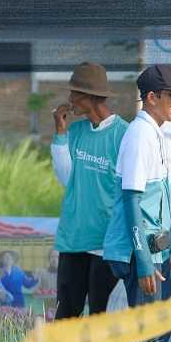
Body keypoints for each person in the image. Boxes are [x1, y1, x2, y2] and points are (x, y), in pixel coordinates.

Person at [103, 64, 171, 342]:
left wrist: (165, 249)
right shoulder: (140, 134)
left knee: (160, 326)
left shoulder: (152, 131)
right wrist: (143, 261)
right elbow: (131, 202)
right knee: (147, 335)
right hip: (136, 253)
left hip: (151, 251)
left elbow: (152, 207)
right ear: (152, 97)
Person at [51, 62, 128, 319]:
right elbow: (66, 178)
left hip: (107, 243)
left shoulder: (124, 135)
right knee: (66, 315)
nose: (70, 99)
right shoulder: (76, 131)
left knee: (99, 317)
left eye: (75, 93)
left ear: (92, 98)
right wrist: (60, 133)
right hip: (73, 238)